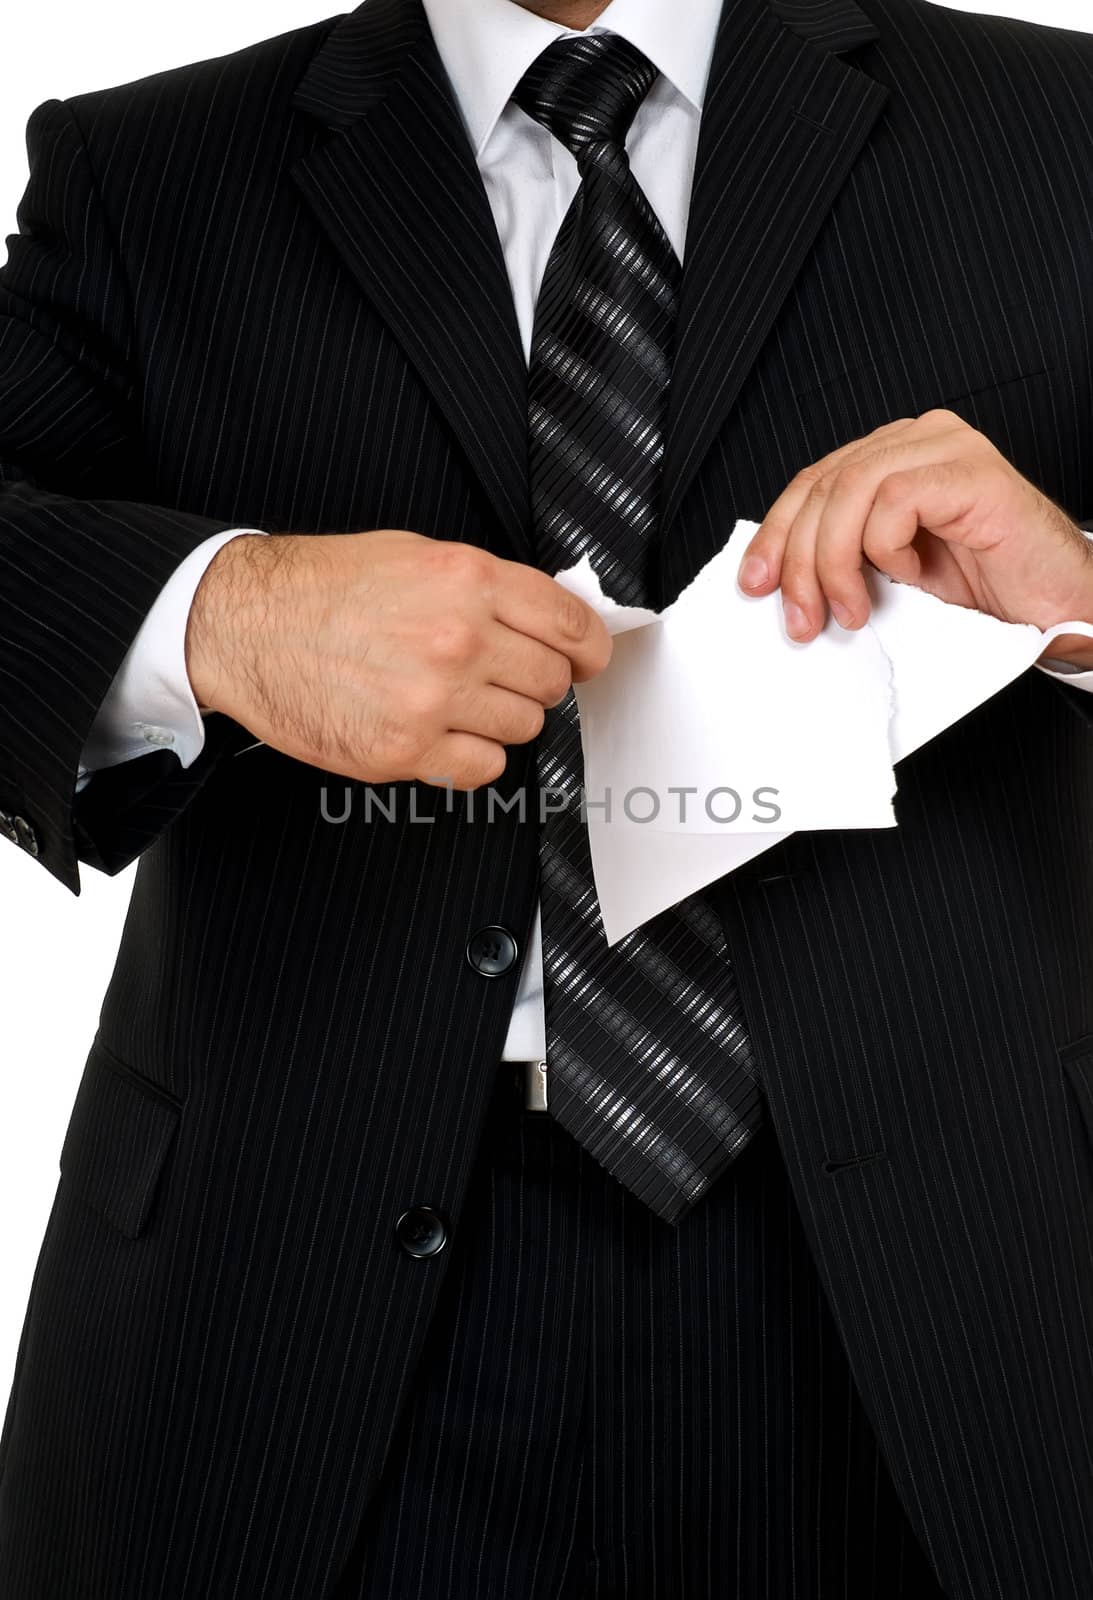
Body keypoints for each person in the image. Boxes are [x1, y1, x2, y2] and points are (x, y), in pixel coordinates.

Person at [1, 0, 1092, 1593]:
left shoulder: (1055, 124)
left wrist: (1082, 591)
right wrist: (220, 615)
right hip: (292, 1302)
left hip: (956, 1291)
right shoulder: (147, 168)